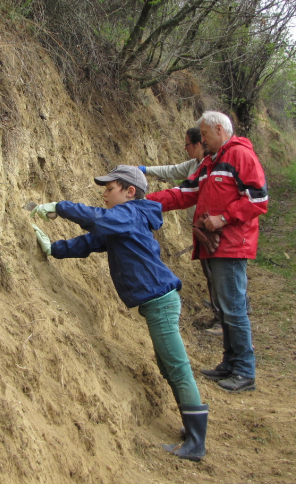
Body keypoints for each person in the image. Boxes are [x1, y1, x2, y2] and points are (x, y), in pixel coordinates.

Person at [30, 165, 208, 461]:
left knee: (176, 367)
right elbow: (90, 241)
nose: (104, 193)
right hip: (157, 303)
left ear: (130, 192)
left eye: (109, 188)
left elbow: (96, 220)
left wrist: (60, 208)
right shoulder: (122, 222)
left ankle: (196, 442)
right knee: (169, 368)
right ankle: (192, 432)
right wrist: (55, 249)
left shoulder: (131, 213)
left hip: (161, 303)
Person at [147, 111, 267, 393]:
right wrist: (145, 202)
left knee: (233, 308)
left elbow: (259, 199)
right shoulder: (211, 162)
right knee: (225, 307)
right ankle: (230, 363)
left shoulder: (240, 156)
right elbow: (185, 192)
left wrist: (224, 218)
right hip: (217, 244)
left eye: (204, 134)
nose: (201, 138)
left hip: (232, 244)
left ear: (219, 129)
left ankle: (245, 371)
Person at [138, 128, 224, 335]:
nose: (185, 148)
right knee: (211, 273)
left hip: (214, 229)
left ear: (198, 144)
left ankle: (225, 321)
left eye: (187, 144)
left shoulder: (212, 167)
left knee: (220, 274)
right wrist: (144, 169)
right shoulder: (195, 165)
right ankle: (219, 314)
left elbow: (183, 193)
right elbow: (171, 171)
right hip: (203, 228)